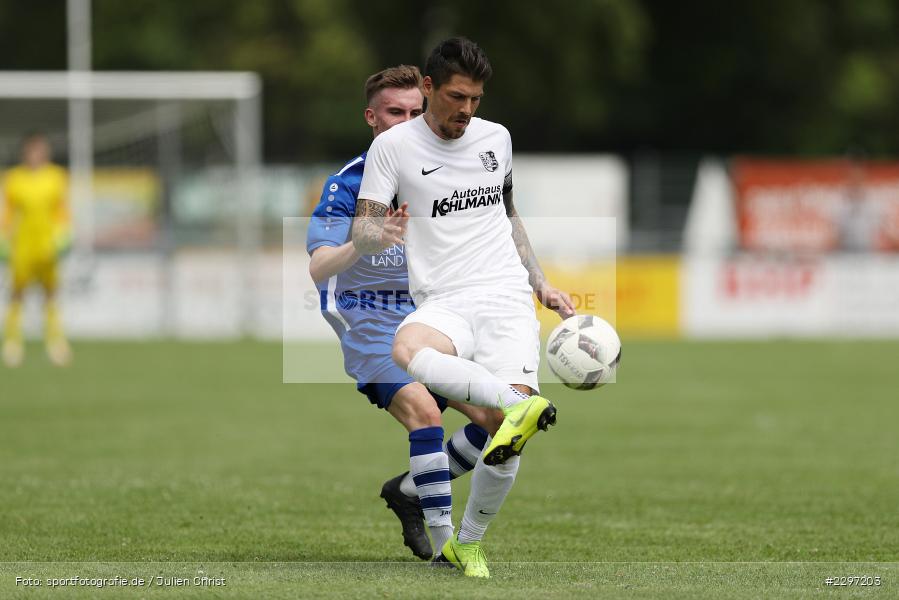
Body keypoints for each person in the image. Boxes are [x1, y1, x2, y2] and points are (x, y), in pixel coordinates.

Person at [354, 38, 575, 577]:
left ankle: (467, 543)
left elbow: (509, 213)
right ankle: (516, 401)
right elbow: (362, 230)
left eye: (475, 98)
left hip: (505, 298)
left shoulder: (496, 138)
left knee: (507, 430)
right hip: (445, 299)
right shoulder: (394, 148)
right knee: (407, 347)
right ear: (428, 88)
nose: (467, 110)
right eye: (457, 96)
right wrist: (376, 233)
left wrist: (540, 281)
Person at [305, 65, 501, 561]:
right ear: (372, 117)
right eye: (396, 112)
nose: (407, 121)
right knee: (425, 412)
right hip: (369, 320)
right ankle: (445, 547)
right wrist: (362, 242)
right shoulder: (347, 185)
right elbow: (318, 266)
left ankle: (411, 491)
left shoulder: (445, 173)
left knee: (499, 421)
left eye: (416, 111)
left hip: (431, 321)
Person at [1, 133, 72, 367]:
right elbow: (7, 214)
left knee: (51, 293)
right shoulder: (13, 178)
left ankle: (56, 343)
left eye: (40, 150)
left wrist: (64, 236)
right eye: (32, 150)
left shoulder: (56, 176)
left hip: (47, 244)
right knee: (17, 293)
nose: (36, 155)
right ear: (25, 152)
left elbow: (62, 211)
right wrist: (3, 239)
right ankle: (12, 343)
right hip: (22, 245)